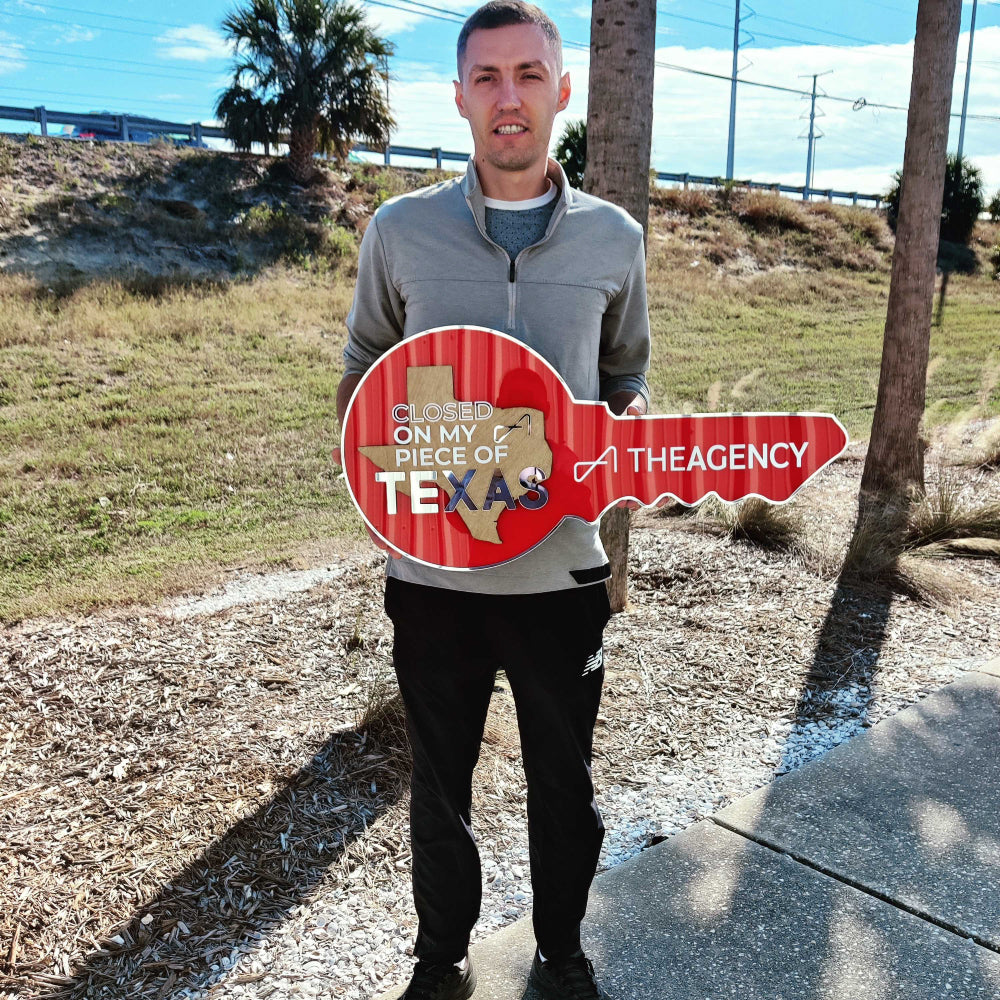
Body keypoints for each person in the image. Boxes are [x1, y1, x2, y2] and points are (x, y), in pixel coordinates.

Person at [335, 3, 650, 997]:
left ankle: (559, 951)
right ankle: (442, 961)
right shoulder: (398, 230)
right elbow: (362, 373)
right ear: (461, 96)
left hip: (564, 574)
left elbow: (626, 373)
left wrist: (629, 431)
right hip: (432, 576)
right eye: (486, 77)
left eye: (526, 74)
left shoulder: (615, 240)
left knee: (566, 788)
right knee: (441, 788)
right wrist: (404, 461)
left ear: (562, 92)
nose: (507, 97)